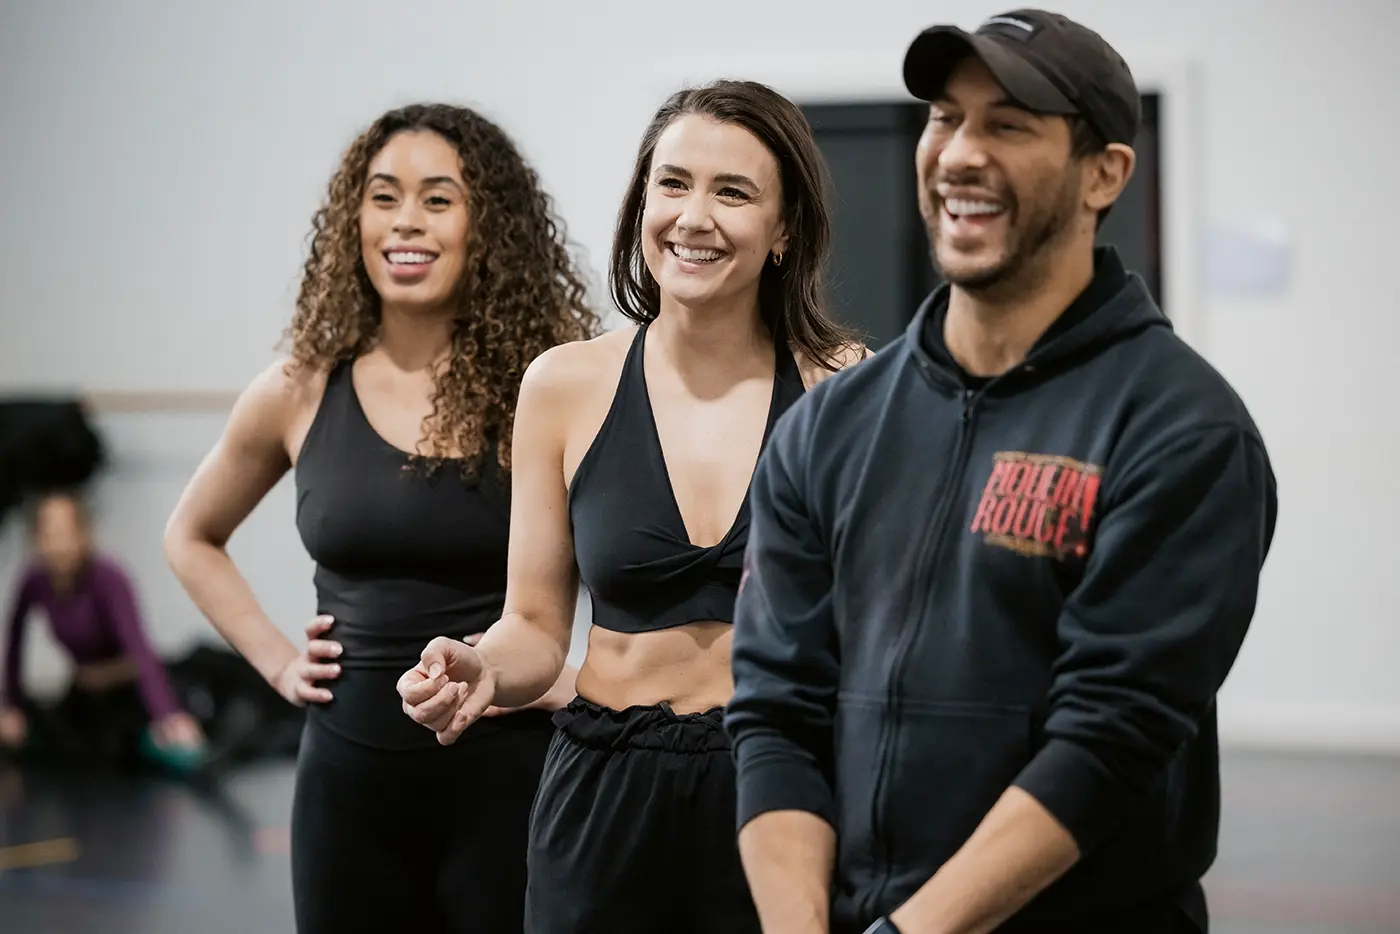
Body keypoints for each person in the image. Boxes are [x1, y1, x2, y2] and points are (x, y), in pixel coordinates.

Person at [726, 11, 1279, 934]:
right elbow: (777, 709)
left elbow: (1106, 741)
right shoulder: (830, 427)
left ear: (1105, 173)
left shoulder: (1183, 430)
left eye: (1009, 125)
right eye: (945, 118)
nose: (960, 154)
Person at [397, 79, 867, 933]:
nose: (694, 217)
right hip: (604, 793)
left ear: (784, 229)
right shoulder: (564, 385)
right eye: (673, 183)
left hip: (784, 784)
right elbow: (535, 626)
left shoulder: (847, 386)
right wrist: (484, 666)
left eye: (733, 192)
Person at [162, 102, 598, 934]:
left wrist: (582, 681)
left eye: (438, 199)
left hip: (508, 781)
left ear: (488, 226)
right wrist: (278, 663)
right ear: (353, 220)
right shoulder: (299, 389)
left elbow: (631, 558)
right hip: (346, 789)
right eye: (384, 196)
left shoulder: (547, 392)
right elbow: (190, 536)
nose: (406, 221)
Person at [1, 489, 205, 767]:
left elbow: (138, 647)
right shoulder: (34, 580)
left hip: (128, 690)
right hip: (85, 692)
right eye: (47, 534)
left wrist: (166, 715)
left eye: (65, 533)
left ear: (83, 534)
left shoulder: (109, 578)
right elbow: (14, 642)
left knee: (151, 749)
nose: (57, 544)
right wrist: (11, 705)